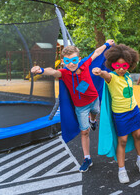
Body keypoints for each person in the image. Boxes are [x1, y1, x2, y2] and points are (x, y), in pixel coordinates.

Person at [31, 40, 114, 172]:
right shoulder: (64, 73)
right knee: (84, 132)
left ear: (79, 59)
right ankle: (87, 158)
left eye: (74, 60)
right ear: (63, 61)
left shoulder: (85, 63)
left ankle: (93, 120)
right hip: (80, 107)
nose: (71, 64)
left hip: (94, 99)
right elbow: (52, 71)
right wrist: (40, 70)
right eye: (67, 61)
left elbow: (97, 53)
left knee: (96, 111)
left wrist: (107, 44)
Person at [92, 44, 140, 184]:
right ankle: (121, 169)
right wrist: (99, 71)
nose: (121, 68)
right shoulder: (111, 77)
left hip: (133, 110)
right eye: (118, 65)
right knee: (122, 141)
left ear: (130, 64)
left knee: (138, 135)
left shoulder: (128, 76)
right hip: (120, 114)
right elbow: (105, 74)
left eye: (125, 66)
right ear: (112, 64)